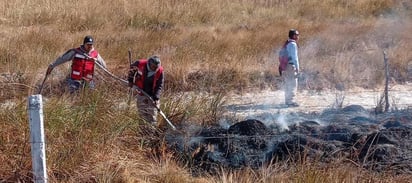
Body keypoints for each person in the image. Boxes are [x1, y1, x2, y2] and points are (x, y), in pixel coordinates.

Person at [127, 55, 164, 125]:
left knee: (152, 116)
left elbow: (159, 85)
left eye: (156, 67)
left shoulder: (160, 71)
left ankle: (151, 132)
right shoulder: (139, 64)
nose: (154, 69)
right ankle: (142, 132)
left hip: (152, 96)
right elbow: (131, 70)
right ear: (149, 63)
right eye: (153, 67)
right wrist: (130, 80)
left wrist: (156, 97)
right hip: (141, 93)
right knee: (142, 116)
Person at [282, 29, 300, 107]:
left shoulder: (287, 43)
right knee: (293, 83)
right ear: (293, 36)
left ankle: (287, 100)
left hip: (286, 65)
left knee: (288, 82)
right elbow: (294, 57)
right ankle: (290, 101)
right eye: (297, 35)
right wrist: (297, 67)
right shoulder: (293, 44)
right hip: (291, 65)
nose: (298, 36)